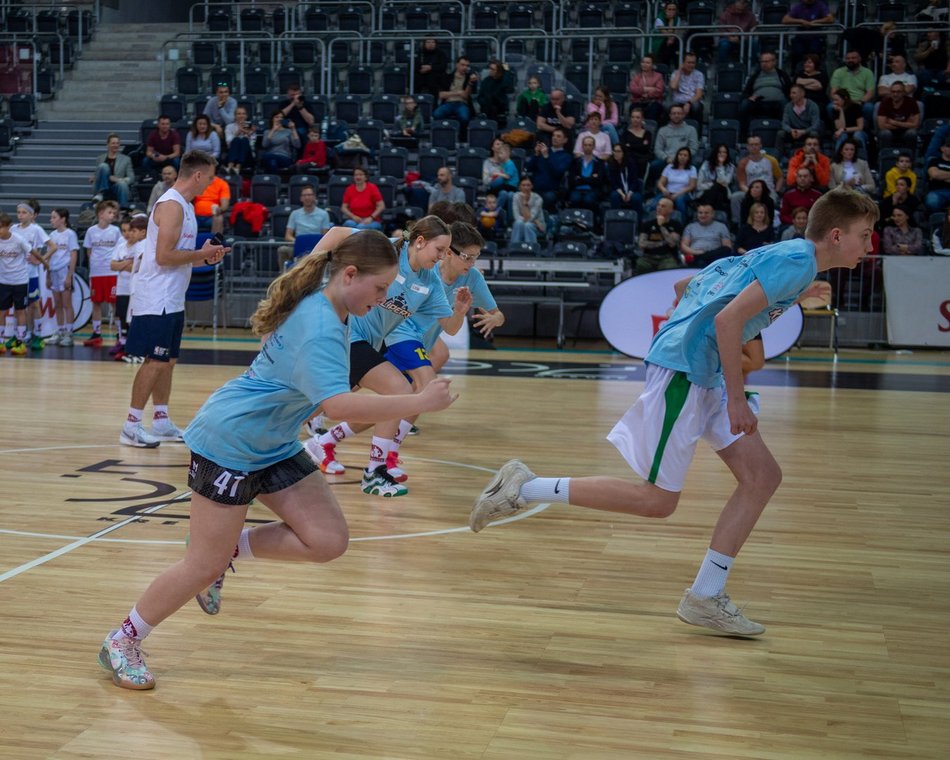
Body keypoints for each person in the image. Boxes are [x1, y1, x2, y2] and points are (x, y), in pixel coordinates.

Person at [469, 188, 879, 637]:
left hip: (701, 370)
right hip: (687, 372)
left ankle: (705, 595)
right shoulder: (797, 261)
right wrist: (737, 398)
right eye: (866, 234)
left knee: (762, 477)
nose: (871, 244)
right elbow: (727, 321)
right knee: (657, 501)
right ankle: (526, 487)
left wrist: (787, 300)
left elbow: (687, 286)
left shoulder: (786, 257)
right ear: (837, 235)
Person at [97, 230, 458, 690]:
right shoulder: (322, 327)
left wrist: (385, 239)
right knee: (200, 566)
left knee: (327, 540)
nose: (386, 297)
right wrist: (417, 402)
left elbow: (336, 239)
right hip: (229, 441)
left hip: (273, 442)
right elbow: (338, 408)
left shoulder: (329, 297)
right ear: (350, 275)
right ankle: (123, 639)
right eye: (382, 288)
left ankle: (228, 550)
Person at [304, 217, 470, 492]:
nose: (442, 257)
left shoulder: (430, 282)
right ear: (420, 242)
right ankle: (375, 472)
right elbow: (336, 232)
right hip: (345, 332)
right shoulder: (386, 248)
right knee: (399, 389)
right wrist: (304, 273)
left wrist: (460, 312)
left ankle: (268, 450)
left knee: (309, 404)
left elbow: (450, 328)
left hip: (370, 343)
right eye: (439, 250)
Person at [119, 150, 228, 448]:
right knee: (155, 360)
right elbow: (165, 256)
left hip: (172, 297)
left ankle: (162, 419)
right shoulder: (171, 205)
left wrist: (206, 259)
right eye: (208, 178)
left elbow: (180, 257)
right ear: (196, 176)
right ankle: (130, 426)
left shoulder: (186, 206)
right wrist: (200, 254)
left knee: (167, 361)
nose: (209, 184)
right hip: (157, 297)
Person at [385, 222, 503, 392]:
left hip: (422, 341)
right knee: (425, 387)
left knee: (399, 397)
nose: (471, 263)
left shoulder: (473, 278)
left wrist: (492, 318)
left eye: (475, 257)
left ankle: (346, 418)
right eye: (467, 257)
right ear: (448, 252)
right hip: (399, 334)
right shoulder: (427, 270)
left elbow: (497, 316)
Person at [81, 200, 121, 347]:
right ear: (100, 214)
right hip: (96, 273)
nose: (112, 215)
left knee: (114, 303)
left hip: (112, 272)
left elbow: (119, 250)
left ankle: (119, 333)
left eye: (113, 213)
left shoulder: (115, 231)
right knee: (96, 303)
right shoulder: (91, 231)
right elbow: (89, 250)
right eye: (109, 212)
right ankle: (97, 333)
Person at [109, 215, 147, 360]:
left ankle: (138, 351)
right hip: (129, 287)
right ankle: (130, 348)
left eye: (133, 230)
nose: (130, 233)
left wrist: (123, 264)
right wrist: (127, 264)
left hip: (138, 288)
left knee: (136, 320)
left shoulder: (143, 246)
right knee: (126, 318)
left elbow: (138, 267)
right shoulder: (126, 246)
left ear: (142, 232)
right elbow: (113, 265)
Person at [15, 199, 50, 351]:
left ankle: (38, 333)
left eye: (24, 213)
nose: (20, 215)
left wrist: (41, 259)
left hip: (32, 274)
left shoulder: (36, 229)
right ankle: (26, 333)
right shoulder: (14, 229)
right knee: (21, 306)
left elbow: (52, 246)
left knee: (35, 304)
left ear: (32, 215)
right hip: (17, 274)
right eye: (18, 212)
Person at [0, 212, 34, 355]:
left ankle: (20, 342)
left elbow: (32, 252)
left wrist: (43, 261)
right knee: (1, 311)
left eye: (1, 227)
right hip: (3, 281)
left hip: (20, 280)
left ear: (9, 227)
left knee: (20, 311)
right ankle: (1, 342)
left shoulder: (18, 240)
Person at [277, 184, 331, 270]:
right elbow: (288, 236)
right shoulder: (295, 214)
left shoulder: (324, 214)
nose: (307, 198)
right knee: (282, 250)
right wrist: (300, 242)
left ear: (314, 197)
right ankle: (284, 278)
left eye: (309, 195)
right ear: (301, 198)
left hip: (316, 249)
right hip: (298, 248)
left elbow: (325, 235)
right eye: (304, 195)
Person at [739, 51, 791, 139]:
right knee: (745, 104)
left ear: (774, 62)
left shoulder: (782, 75)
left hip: (777, 103)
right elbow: (746, 92)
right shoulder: (755, 76)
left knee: (786, 105)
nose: (764, 64)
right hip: (758, 103)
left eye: (767, 61)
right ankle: (744, 136)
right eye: (762, 62)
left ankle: (785, 135)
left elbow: (790, 90)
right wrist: (750, 97)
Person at [45, 208, 78, 347]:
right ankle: (59, 331)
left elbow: (73, 255)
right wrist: (47, 275)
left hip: (64, 271)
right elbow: (49, 256)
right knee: (57, 304)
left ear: (63, 219)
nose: (51, 220)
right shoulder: (51, 235)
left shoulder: (70, 234)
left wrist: (69, 276)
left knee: (67, 304)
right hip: (53, 271)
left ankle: (69, 334)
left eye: (54, 217)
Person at [731, 135, 783, 223]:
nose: (754, 147)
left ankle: (769, 223)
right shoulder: (743, 163)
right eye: (751, 145)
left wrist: (777, 190)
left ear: (760, 145)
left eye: (756, 144)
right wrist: (752, 192)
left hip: (768, 191)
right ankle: (738, 223)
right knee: (735, 197)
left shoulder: (771, 160)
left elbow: (780, 178)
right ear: (747, 147)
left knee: (771, 199)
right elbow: (742, 183)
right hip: (751, 191)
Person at [527, 127, 572, 211]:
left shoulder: (566, 156)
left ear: (565, 140)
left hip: (551, 190)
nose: (555, 138)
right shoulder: (544, 151)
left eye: (558, 136)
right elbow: (529, 168)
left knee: (548, 197)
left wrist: (547, 157)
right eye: (554, 136)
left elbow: (557, 173)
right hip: (535, 188)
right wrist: (536, 154)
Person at [651, 104, 699, 182]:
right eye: (674, 113)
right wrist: (666, 158)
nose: (676, 116)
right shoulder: (663, 130)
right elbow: (658, 149)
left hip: (685, 159)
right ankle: (654, 187)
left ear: (683, 115)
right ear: (670, 115)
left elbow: (693, 148)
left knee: (696, 166)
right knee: (654, 165)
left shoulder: (691, 130)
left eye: (679, 113)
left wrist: (682, 157)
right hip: (667, 159)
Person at [781, 0, 835, 70]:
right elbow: (785, 20)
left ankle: (816, 71)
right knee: (797, 51)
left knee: (815, 51)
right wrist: (801, 21)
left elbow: (830, 19)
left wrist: (815, 22)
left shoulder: (820, 5)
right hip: (801, 37)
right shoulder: (799, 6)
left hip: (816, 36)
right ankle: (796, 72)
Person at [829, 50, 876, 129]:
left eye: (853, 58)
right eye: (847, 58)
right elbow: (833, 92)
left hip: (860, 102)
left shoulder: (868, 72)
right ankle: (836, 129)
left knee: (869, 107)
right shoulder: (838, 72)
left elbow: (870, 93)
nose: (850, 60)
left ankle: (865, 129)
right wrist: (841, 101)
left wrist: (860, 102)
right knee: (830, 107)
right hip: (843, 101)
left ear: (859, 59)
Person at [635, 197, 683, 274]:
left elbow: (672, 243)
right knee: (640, 264)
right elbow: (642, 244)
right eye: (658, 205)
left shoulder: (676, 225)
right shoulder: (647, 224)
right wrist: (662, 243)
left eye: (663, 206)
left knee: (670, 268)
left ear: (671, 210)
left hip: (667, 258)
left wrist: (661, 226)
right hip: (648, 257)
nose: (659, 208)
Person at [680, 202, 733, 266]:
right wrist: (698, 253)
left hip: (715, 258)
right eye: (700, 213)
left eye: (706, 213)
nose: (703, 215)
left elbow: (727, 246)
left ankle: (702, 257)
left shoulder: (721, 226)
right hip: (695, 255)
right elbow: (684, 246)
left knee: (725, 250)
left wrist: (706, 254)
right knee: (699, 261)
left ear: (713, 214)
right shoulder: (690, 227)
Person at [91, 133, 135, 206]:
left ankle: (123, 209)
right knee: (103, 166)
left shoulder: (126, 159)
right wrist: (94, 177)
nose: (116, 145)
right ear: (107, 145)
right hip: (102, 186)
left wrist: (118, 180)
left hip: (116, 187)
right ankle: (102, 193)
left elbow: (131, 177)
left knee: (122, 184)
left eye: (117, 143)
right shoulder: (100, 158)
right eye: (113, 143)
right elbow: (97, 174)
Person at [434, 55, 478, 128]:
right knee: (437, 114)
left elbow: (465, 96)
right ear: (457, 65)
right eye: (462, 65)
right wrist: (458, 92)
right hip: (448, 103)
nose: (465, 67)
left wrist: (470, 83)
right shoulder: (447, 77)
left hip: (462, 104)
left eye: (467, 66)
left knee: (464, 118)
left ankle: (462, 137)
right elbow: (441, 95)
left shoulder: (469, 78)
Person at [876, 81, 921, 151]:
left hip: (906, 132)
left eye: (898, 92)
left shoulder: (911, 102)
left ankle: (910, 159)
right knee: (885, 133)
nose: (895, 94)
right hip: (890, 132)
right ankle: (884, 157)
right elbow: (882, 126)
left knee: (912, 133)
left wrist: (894, 122)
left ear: (903, 93)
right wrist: (906, 124)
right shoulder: (885, 102)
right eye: (893, 92)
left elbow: (915, 125)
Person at [778, 84, 822, 154]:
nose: (791, 95)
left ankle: (816, 155)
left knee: (814, 134)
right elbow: (784, 123)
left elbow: (816, 125)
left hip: (806, 132)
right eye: (790, 93)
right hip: (793, 133)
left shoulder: (812, 106)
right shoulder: (788, 106)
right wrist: (791, 130)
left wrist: (803, 132)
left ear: (802, 94)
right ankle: (779, 157)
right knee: (780, 133)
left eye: (794, 93)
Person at [568, 136, 607, 213]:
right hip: (577, 189)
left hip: (592, 190)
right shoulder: (575, 162)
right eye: (585, 145)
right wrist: (591, 178)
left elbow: (599, 181)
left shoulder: (599, 163)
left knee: (588, 200)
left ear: (594, 146)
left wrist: (581, 178)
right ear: (582, 146)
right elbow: (572, 180)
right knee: (574, 199)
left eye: (590, 145)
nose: (587, 147)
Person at [694, 144, 735, 216]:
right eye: (719, 152)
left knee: (718, 186)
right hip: (705, 192)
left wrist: (720, 165)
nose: (722, 154)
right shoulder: (706, 164)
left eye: (724, 152)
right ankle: (715, 216)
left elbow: (726, 182)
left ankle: (704, 210)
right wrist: (713, 184)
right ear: (715, 153)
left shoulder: (730, 166)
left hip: (724, 191)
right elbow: (699, 185)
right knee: (718, 194)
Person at [656, 147, 697, 219]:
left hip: (684, 193)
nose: (682, 157)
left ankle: (682, 223)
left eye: (685, 155)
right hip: (668, 192)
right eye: (680, 154)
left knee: (679, 201)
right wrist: (664, 190)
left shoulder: (692, 169)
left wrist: (678, 194)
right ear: (677, 156)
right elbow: (660, 182)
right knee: (655, 204)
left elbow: (692, 186)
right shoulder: (669, 167)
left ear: (688, 158)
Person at [482, 139, 519, 214]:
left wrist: (498, 175)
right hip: (493, 188)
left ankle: (509, 220)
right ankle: (494, 213)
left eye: (501, 144)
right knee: (503, 193)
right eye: (497, 144)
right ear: (492, 148)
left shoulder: (506, 162)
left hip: (507, 187)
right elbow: (485, 181)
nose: (500, 146)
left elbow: (509, 176)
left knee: (510, 195)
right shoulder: (487, 162)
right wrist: (495, 178)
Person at [669, 52, 705, 127]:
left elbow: (699, 94)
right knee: (667, 106)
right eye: (689, 62)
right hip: (678, 101)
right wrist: (679, 72)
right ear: (683, 63)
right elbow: (673, 87)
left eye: (693, 63)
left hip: (692, 101)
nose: (691, 65)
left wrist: (689, 103)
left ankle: (697, 134)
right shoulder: (675, 73)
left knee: (696, 107)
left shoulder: (699, 75)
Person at [620, 108, 654, 186]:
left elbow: (645, 148)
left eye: (638, 117)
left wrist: (630, 145)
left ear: (642, 119)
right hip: (629, 158)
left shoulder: (647, 133)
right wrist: (640, 145)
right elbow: (623, 147)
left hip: (642, 159)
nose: (635, 119)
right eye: (633, 117)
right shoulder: (625, 133)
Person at [628, 55, 666, 124]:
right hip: (638, 101)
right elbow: (633, 89)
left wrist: (648, 95)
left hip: (653, 102)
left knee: (654, 109)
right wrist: (646, 89)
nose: (644, 64)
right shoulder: (637, 76)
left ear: (653, 65)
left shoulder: (658, 76)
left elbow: (659, 91)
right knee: (633, 108)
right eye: (643, 62)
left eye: (647, 63)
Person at [477, 59, 515, 127]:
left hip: (500, 106)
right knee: (489, 103)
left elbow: (509, 88)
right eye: (490, 68)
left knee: (494, 103)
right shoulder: (486, 81)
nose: (490, 71)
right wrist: (484, 101)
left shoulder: (503, 81)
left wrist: (506, 71)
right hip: (487, 106)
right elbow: (480, 97)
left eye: (493, 69)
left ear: (498, 71)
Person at [606, 143, 643, 214]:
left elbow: (634, 180)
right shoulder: (611, 164)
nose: (616, 153)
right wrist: (622, 194)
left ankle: (637, 222)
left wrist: (629, 194)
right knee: (614, 196)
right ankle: (616, 219)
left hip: (631, 190)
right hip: (618, 190)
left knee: (637, 198)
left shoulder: (631, 163)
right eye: (614, 151)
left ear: (623, 153)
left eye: (618, 151)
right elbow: (613, 183)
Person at [830, 88, 868, 157]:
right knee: (841, 135)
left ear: (845, 98)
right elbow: (839, 127)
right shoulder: (835, 110)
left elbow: (860, 127)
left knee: (857, 135)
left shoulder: (856, 107)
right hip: (843, 133)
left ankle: (862, 159)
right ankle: (838, 160)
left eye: (836, 100)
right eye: (833, 100)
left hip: (857, 131)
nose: (834, 102)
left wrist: (843, 130)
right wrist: (841, 111)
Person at [509, 177, 545, 245]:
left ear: (532, 186)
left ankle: (531, 250)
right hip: (526, 223)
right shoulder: (516, 196)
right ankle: (514, 248)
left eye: (528, 185)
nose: (526, 188)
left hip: (538, 227)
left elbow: (530, 218)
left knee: (528, 225)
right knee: (518, 222)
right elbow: (516, 216)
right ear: (519, 186)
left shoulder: (538, 199)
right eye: (523, 185)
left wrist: (525, 202)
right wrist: (535, 221)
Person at [223, 105, 256, 175]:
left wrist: (248, 134)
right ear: (235, 116)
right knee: (236, 139)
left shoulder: (251, 127)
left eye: (243, 113)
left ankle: (237, 167)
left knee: (244, 140)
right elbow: (228, 144)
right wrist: (238, 132)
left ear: (246, 116)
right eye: (239, 114)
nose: (241, 116)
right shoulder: (229, 127)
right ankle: (230, 166)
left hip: (247, 157)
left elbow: (252, 145)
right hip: (232, 155)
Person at [651, 1, 684, 67]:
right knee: (669, 46)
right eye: (669, 9)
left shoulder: (678, 19)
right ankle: (666, 67)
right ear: (665, 10)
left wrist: (671, 39)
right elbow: (667, 34)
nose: (671, 11)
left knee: (674, 44)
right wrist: (671, 20)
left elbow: (675, 33)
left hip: (671, 41)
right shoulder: (659, 19)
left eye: (673, 10)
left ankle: (676, 67)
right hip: (658, 41)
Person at [925, 136, 950, 211]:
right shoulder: (934, 161)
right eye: (949, 146)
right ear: (942, 148)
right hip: (936, 192)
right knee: (932, 201)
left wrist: (941, 176)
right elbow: (934, 174)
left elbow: (937, 175)